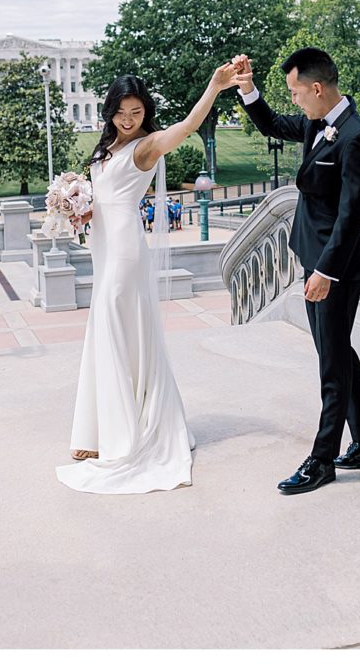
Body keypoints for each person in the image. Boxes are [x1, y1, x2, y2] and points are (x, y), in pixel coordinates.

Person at [57, 63, 239, 494]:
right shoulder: (105, 148)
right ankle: (97, 432)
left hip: (123, 247)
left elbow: (191, 124)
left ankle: (122, 435)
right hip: (103, 243)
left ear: (145, 112)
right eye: (121, 111)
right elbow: (99, 194)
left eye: (136, 112)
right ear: (110, 110)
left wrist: (214, 85)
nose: (127, 119)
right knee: (105, 330)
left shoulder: (147, 146)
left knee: (118, 325)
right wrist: (74, 204)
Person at [233, 47, 360, 496]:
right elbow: (272, 124)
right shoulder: (317, 125)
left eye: (297, 92)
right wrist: (248, 89)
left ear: (317, 88)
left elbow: (351, 216)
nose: (295, 101)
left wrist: (325, 271)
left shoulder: (357, 138)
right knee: (339, 354)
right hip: (313, 259)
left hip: (334, 271)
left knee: (331, 365)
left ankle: (322, 461)